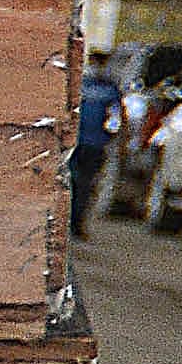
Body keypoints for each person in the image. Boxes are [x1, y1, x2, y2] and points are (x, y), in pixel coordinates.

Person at [66, 58, 119, 240]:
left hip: (93, 145)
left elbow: (115, 119)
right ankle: (69, 221)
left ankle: (76, 222)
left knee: (84, 185)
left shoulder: (109, 89)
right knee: (73, 182)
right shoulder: (78, 83)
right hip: (75, 143)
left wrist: (110, 137)